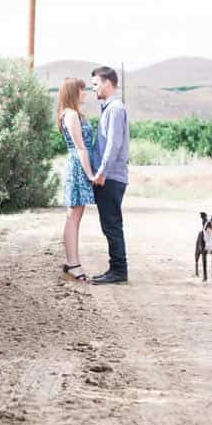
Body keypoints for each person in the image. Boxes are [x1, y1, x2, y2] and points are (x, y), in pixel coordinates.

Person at [90, 65, 130, 284]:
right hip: (110, 175)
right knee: (110, 224)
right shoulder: (109, 108)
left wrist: (102, 172)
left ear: (107, 83)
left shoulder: (114, 109)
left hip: (111, 177)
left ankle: (119, 271)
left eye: (96, 84)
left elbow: (113, 145)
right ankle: (116, 269)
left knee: (112, 225)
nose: (93, 88)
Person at [55, 76, 98, 282]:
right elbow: (80, 147)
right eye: (82, 90)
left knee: (74, 217)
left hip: (77, 165)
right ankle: (73, 264)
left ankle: (73, 263)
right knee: (73, 217)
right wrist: (90, 174)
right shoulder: (71, 115)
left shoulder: (71, 114)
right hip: (78, 167)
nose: (85, 93)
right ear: (73, 92)